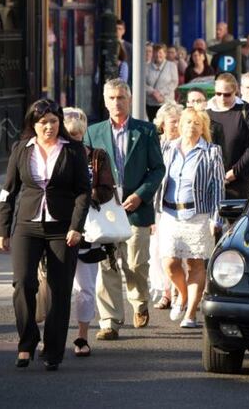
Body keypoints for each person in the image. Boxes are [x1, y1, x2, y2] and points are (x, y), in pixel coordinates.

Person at [0, 99, 91, 371]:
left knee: (59, 290)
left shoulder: (73, 151)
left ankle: (53, 350)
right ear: (33, 124)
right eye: (42, 122)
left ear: (59, 122)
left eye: (53, 121)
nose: (48, 127)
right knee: (23, 283)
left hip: (62, 228)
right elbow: (8, 192)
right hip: (27, 226)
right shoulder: (21, 149)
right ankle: (27, 343)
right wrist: (3, 230)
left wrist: (76, 226)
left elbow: (84, 192)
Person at [86, 79, 166, 341]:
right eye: (111, 98)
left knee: (135, 264)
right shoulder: (93, 132)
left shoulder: (145, 131)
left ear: (129, 100)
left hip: (135, 209)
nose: (116, 103)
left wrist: (140, 195)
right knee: (107, 265)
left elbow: (158, 169)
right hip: (106, 210)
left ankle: (139, 300)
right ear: (105, 100)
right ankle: (109, 321)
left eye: (121, 97)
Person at [157, 108, 225, 328]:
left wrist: (217, 218)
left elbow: (217, 187)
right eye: (187, 122)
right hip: (169, 213)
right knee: (169, 262)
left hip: (198, 215)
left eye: (196, 123)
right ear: (180, 125)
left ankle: (191, 314)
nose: (190, 127)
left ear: (202, 127)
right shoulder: (168, 147)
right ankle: (183, 294)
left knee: (195, 264)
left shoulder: (211, 152)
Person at [62, 107, 116, 358]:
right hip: (56, 229)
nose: (74, 139)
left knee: (85, 288)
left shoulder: (97, 156)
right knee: (56, 288)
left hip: (88, 230)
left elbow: (106, 188)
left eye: (78, 134)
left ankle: (82, 335)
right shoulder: (50, 155)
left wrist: (83, 196)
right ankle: (53, 336)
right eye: (69, 134)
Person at [150, 102, 184, 310]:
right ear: (162, 124)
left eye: (180, 121)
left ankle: (180, 291)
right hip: (158, 207)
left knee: (177, 251)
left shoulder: (185, 144)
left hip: (179, 207)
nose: (177, 125)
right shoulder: (155, 144)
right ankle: (166, 291)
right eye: (173, 122)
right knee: (158, 251)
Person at [207, 73, 249, 199]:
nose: (222, 98)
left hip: (240, 180)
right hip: (211, 178)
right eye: (218, 94)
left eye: (227, 94)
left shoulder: (246, 110)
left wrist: (236, 171)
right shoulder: (207, 112)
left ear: (235, 91)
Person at [145, 43, 179, 122]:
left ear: (165, 54)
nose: (157, 55)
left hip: (167, 102)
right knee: (153, 124)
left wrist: (160, 94)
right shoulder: (146, 67)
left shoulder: (172, 66)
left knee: (166, 123)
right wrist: (153, 92)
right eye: (155, 52)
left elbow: (174, 82)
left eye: (160, 52)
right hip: (151, 103)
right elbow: (143, 84)